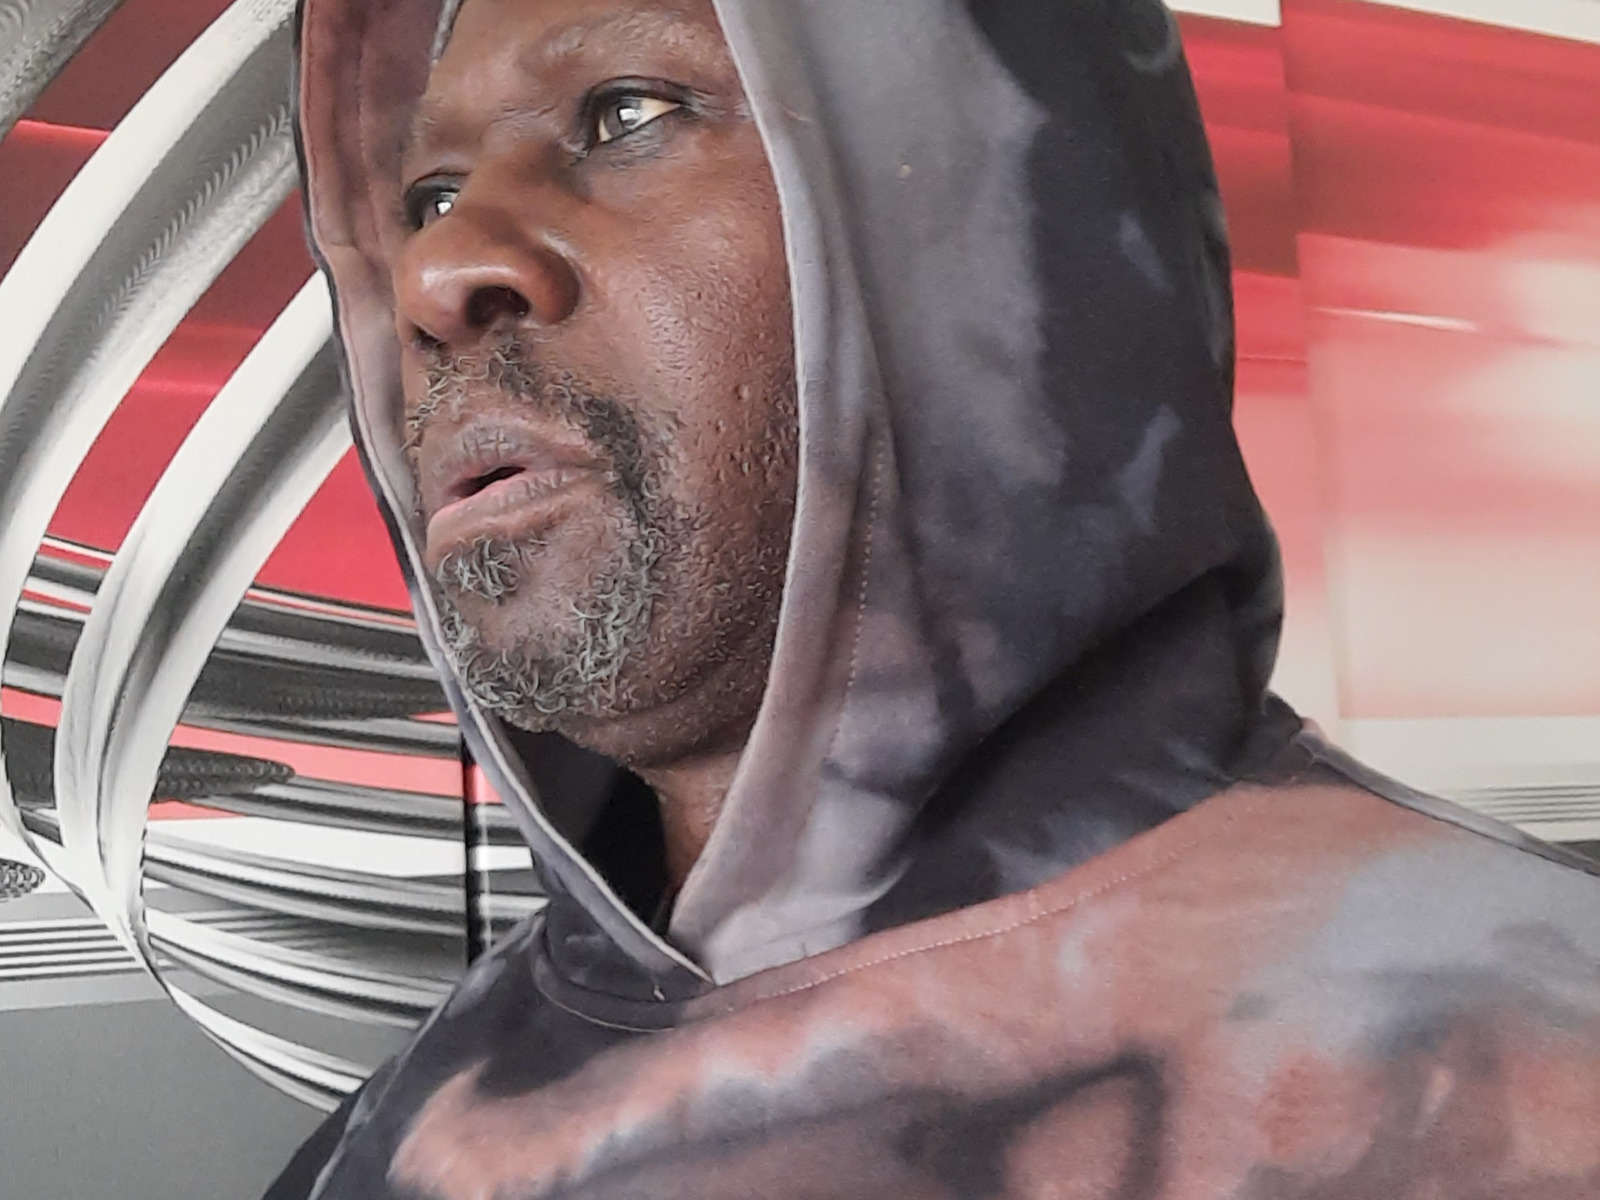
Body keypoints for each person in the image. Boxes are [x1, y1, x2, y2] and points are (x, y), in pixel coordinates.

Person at [271, 0, 1600, 1194]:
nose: (434, 279)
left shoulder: (1527, 1074)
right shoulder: (378, 1154)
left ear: (1004, 221)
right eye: (428, 197)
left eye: (627, 114)